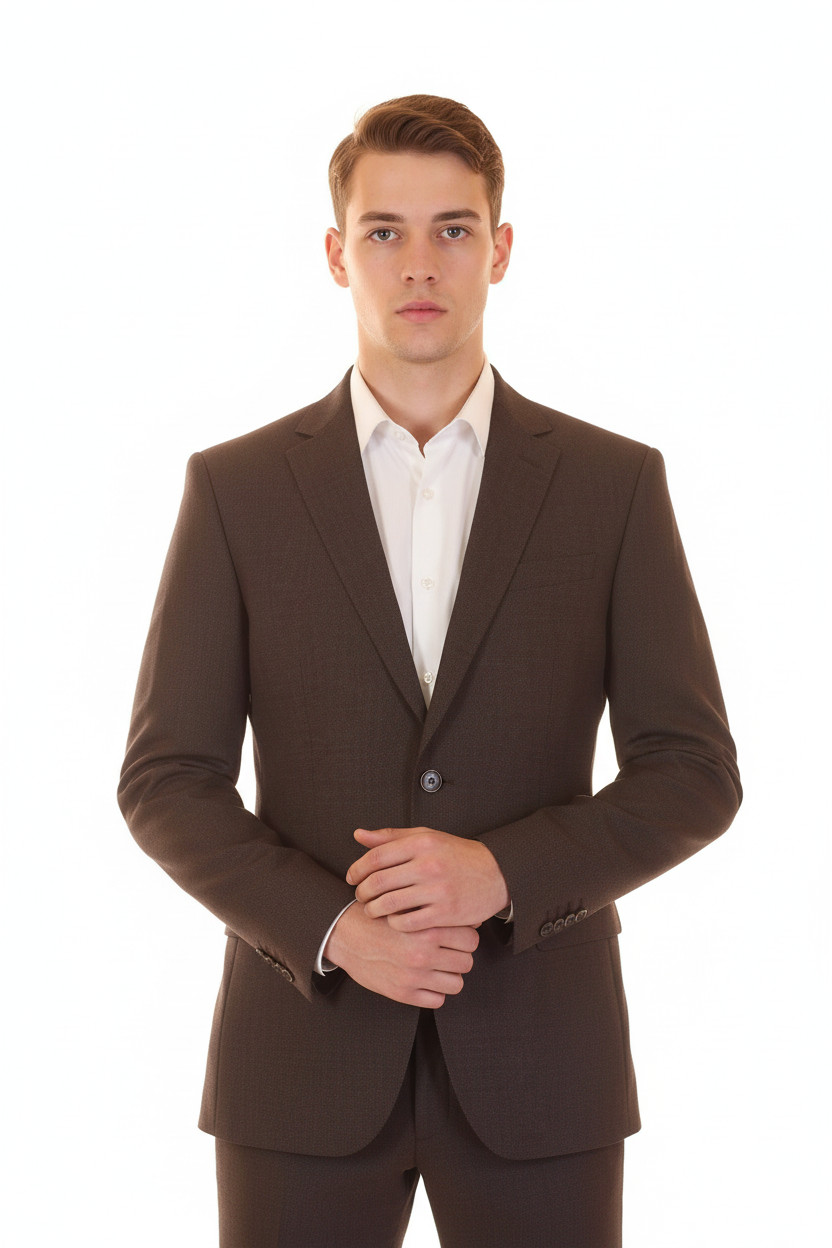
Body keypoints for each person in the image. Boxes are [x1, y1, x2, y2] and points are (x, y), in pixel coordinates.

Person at [118, 94, 741, 1247]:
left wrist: (502, 872)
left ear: (499, 250)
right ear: (335, 254)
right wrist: (332, 927)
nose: (419, 264)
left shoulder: (612, 486)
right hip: (298, 1064)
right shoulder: (236, 490)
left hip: (542, 1064)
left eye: (453, 229)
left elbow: (692, 771)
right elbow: (167, 780)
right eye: (384, 231)